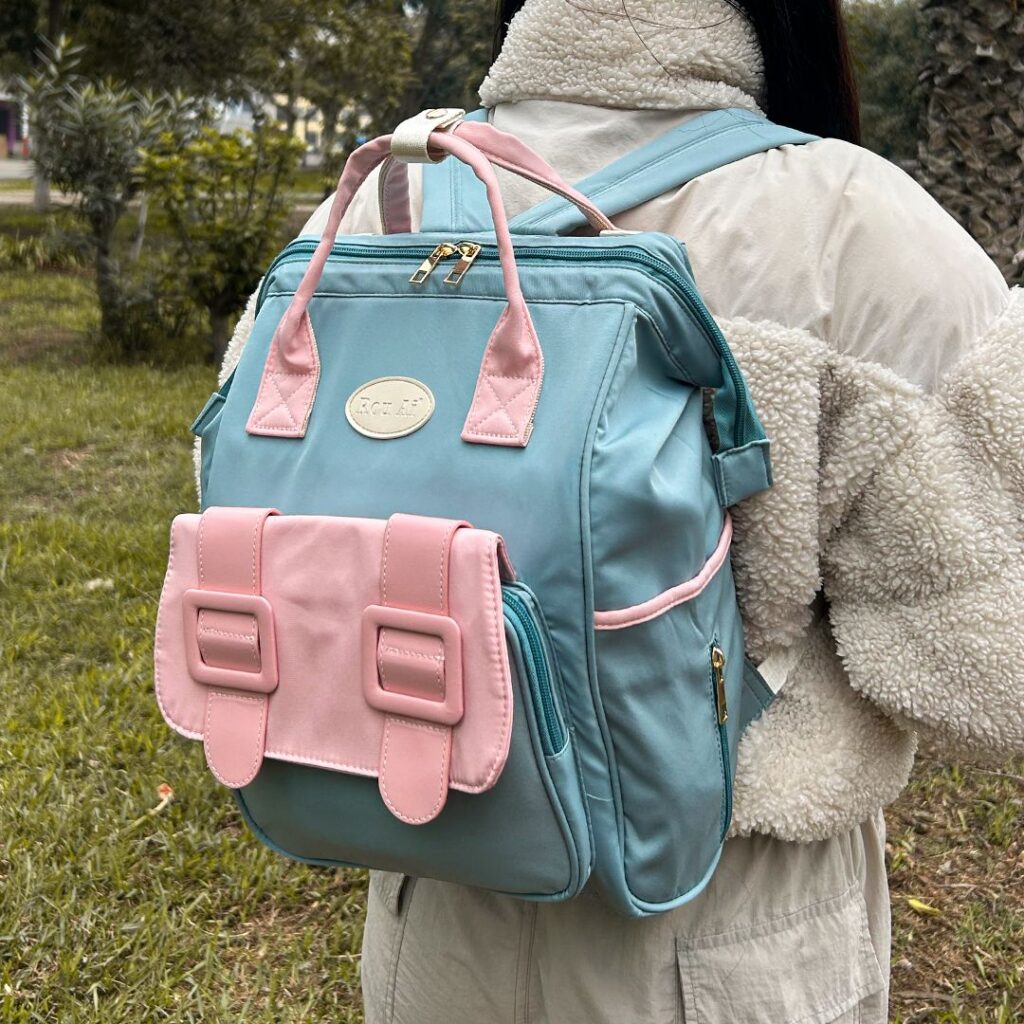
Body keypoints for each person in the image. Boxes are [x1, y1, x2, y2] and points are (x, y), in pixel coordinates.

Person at [219, 2, 1024, 1020]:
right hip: (731, 935)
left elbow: (244, 491)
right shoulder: (856, 221)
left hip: (434, 895)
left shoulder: (388, 196)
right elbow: (986, 675)